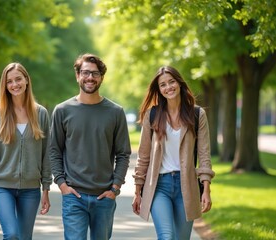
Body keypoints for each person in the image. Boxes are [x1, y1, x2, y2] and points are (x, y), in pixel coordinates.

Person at [49, 53, 131, 240]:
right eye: (85, 72)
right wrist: (61, 184)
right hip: (73, 196)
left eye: (95, 73)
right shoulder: (62, 111)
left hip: (104, 196)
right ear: (77, 75)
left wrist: (115, 187)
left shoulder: (115, 112)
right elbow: (54, 151)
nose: (90, 78)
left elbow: (123, 153)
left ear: (101, 77)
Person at [132, 66, 215, 239]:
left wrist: (206, 190)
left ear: (179, 83)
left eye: (171, 82)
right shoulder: (152, 115)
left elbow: (204, 155)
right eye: (163, 84)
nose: (168, 87)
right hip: (159, 186)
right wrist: (137, 191)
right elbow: (143, 156)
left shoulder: (197, 114)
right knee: (167, 236)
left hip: (187, 186)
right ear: (159, 89)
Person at [0, 62, 52, 240]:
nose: (15, 84)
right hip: (2, 187)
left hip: (31, 189)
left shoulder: (41, 114)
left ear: (27, 80)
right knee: (11, 234)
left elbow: (46, 155)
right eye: (9, 81)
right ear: (5, 86)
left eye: (18, 79)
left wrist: (46, 188)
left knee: (24, 237)